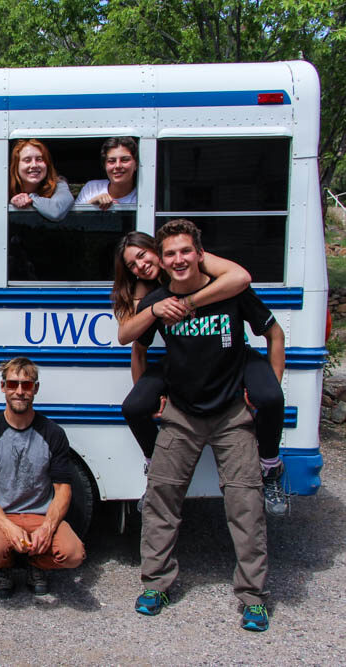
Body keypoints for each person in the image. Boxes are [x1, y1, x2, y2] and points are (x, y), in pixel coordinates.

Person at [132, 219, 284, 632]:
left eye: (186, 251)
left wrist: (267, 388)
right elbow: (135, 345)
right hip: (181, 415)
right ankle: (156, 585)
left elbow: (275, 332)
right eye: (170, 254)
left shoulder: (233, 291)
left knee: (246, 507)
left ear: (200, 254)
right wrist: (151, 394)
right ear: (161, 262)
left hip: (233, 415)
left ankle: (253, 598)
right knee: (161, 499)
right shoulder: (160, 302)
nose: (179, 259)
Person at [113, 231, 288, 516]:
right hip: (183, 361)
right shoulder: (150, 297)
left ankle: (270, 468)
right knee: (134, 406)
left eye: (143, 256)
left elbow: (246, 287)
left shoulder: (223, 284)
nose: (140, 266)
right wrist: (156, 309)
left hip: (230, 359)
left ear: (197, 254)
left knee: (270, 397)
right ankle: (155, 465)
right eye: (132, 265)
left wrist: (188, 303)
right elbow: (132, 343)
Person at [0, 357, 86, 599]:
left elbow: (63, 489)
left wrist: (47, 528)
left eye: (27, 384)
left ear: (36, 388)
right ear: (3, 387)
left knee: (73, 554)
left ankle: (37, 565)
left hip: (40, 515)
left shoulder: (53, 433)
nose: (20, 391)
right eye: (13, 384)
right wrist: (8, 527)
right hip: (2, 516)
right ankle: (2, 567)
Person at [8, 139, 74, 221]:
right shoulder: (5, 187)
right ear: (16, 166)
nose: (34, 165)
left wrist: (30, 198)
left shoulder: (59, 185)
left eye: (39, 159)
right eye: (27, 160)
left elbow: (56, 212)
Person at [75, 136, 138, 210]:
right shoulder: (91, 188)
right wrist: (91, 205)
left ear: (136, 164)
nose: (118, 166)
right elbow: (73, 220)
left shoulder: (142, 196)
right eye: (112, 161)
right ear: (104, 166)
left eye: (125, 160)